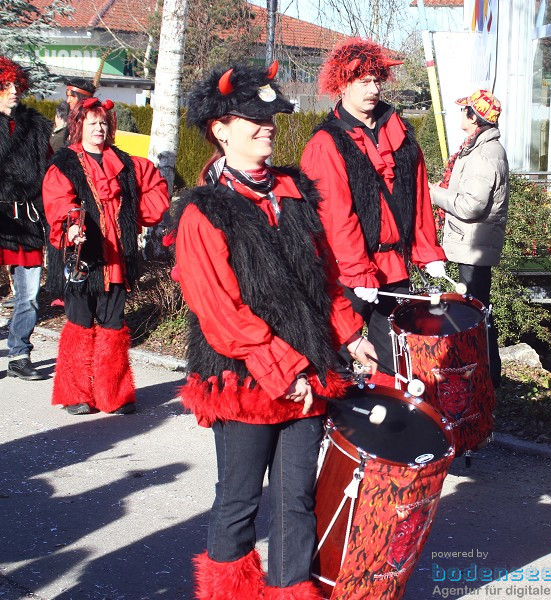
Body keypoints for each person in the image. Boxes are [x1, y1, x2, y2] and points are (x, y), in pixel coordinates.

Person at [174, 62, 377, 600]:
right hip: (246, 379)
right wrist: (281, 370)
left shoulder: (292, 189)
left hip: (310, 369)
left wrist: (352, 335)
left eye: (271, 117)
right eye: (253, 118)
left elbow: (325, 277)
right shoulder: (203, 211)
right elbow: (219, 310)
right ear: (220, 129)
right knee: (239, 500)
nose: (267, 126)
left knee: (295, 501)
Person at [300, 37, 446, 385]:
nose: (373, 88)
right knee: (333, 355)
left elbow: (418, 199)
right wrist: (355, 271)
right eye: (362, 80)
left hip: (393, 266)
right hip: (346, 272)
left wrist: (427, 251)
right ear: (343, 84)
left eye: (376, 80)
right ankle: (326, 431)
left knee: (397, 361)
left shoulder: (401, 132)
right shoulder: (327, 142)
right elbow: (336, 217)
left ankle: (389, 432)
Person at [42, 97, 169, 415]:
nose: (98, 128)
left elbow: (156, 187)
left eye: (103, 123)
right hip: (82, 257)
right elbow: (58, 200)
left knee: (113, 323)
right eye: (92, 122)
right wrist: (72, 225)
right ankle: (75, 394)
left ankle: (114, 394)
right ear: (79, 125)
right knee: (79, 322)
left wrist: (133, 213)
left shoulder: (127, 163)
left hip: (116, 256)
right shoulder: (65, 162)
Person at [428, 89, 509, 387]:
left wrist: (434, 193)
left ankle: (484, 378)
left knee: (476, 314)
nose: (460, 113)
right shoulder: (478, 148)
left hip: (472, 247)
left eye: (464, 109)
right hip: (469, 245)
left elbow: (470, 204)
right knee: (476, 311)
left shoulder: (486, 153)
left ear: (474, 116)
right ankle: (481, 375)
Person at [0, 56, 52, 380]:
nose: (13, 91)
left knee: (29, 294)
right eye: (5, 86)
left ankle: (19, 354)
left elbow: (49, 172)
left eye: (15, 85)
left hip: (29, 217)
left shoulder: (35, 127)